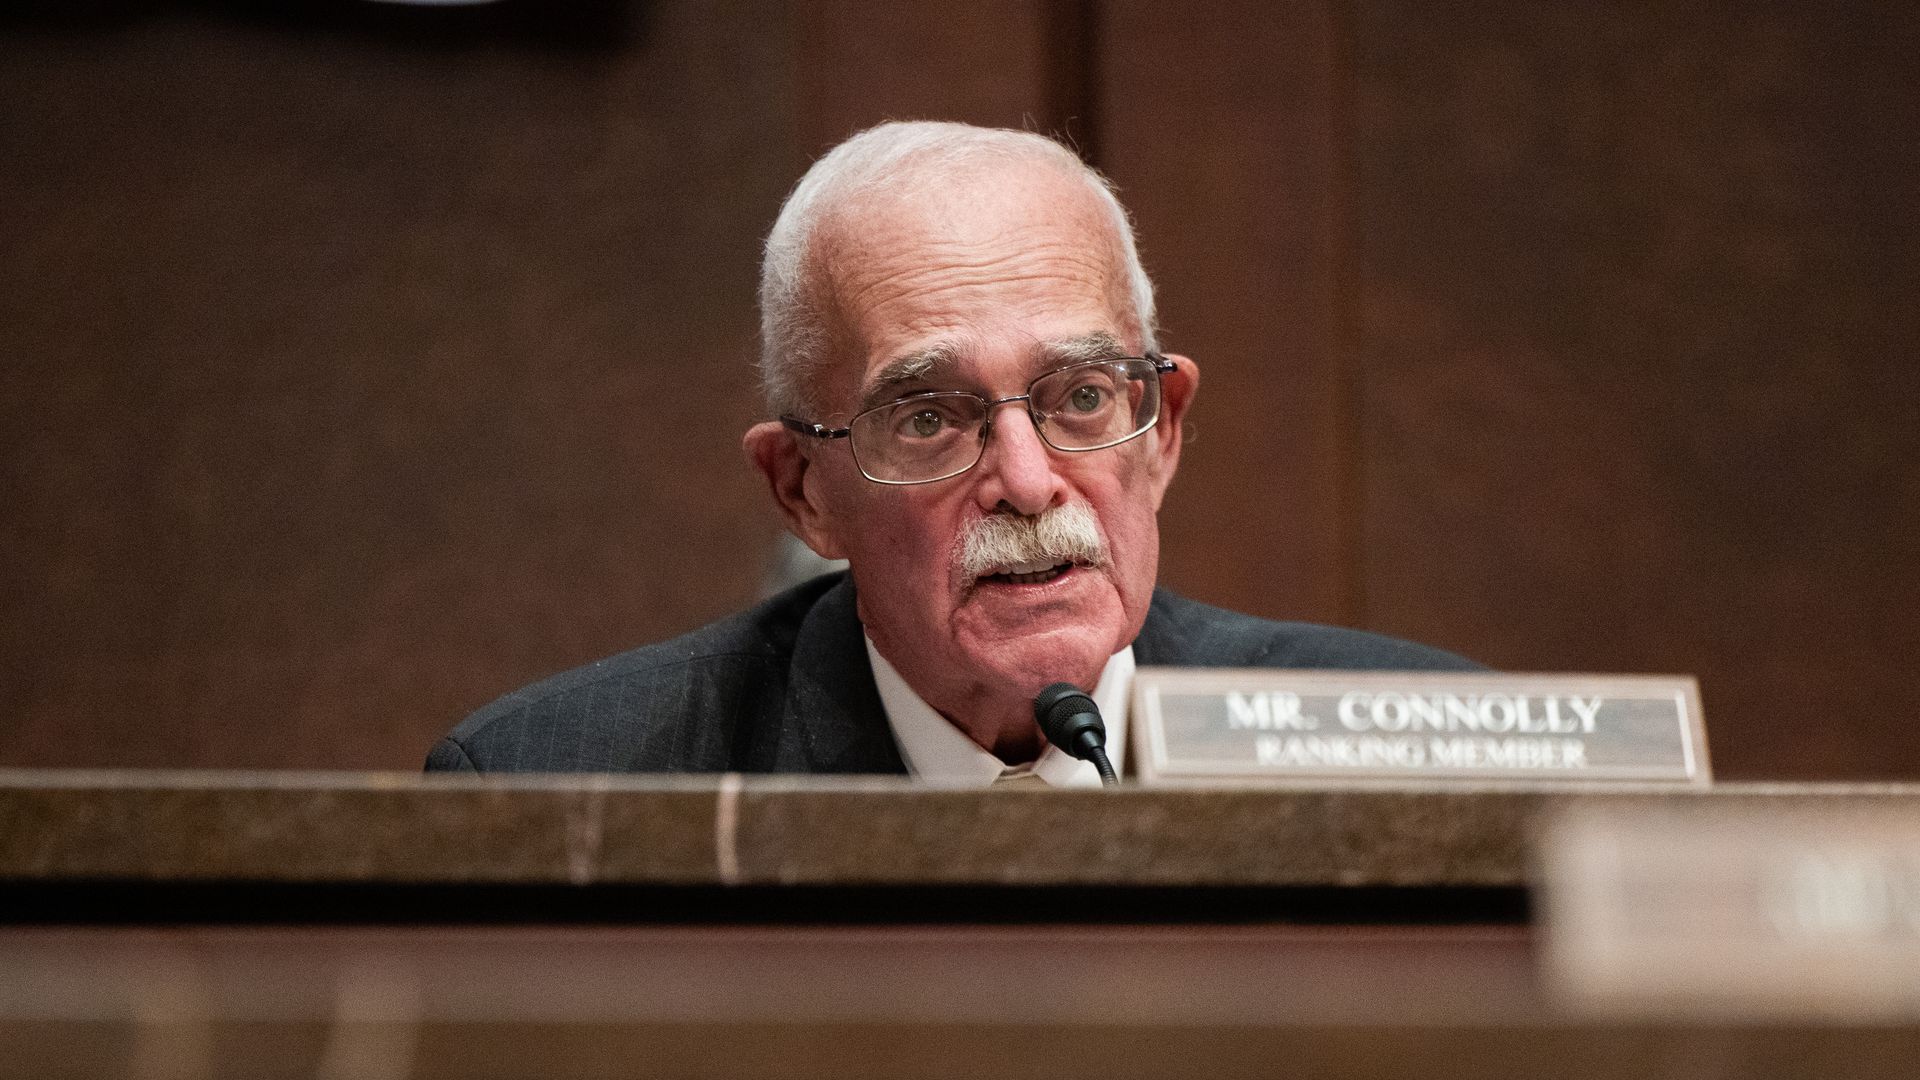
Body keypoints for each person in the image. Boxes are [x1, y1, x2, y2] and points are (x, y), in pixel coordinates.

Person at [427, 121, 1475, 783]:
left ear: (1165, 435)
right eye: (929, 418)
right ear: (802, 491)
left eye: (1080, 398)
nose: (1025, 482)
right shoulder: (563, 784)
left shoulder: (1430, 747)